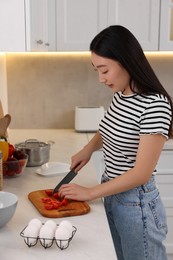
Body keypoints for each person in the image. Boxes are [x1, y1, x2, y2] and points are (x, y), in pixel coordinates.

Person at [59, 25, 173, 260]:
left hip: (136, 205)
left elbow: (141, 173)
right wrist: (88, 149)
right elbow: (108, 128)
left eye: (104, 70)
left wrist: (90, 192)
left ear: (126, 61)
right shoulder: (122, 95)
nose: (101, 79)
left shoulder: (155, 105)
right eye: (96, 70)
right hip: (112, 194)